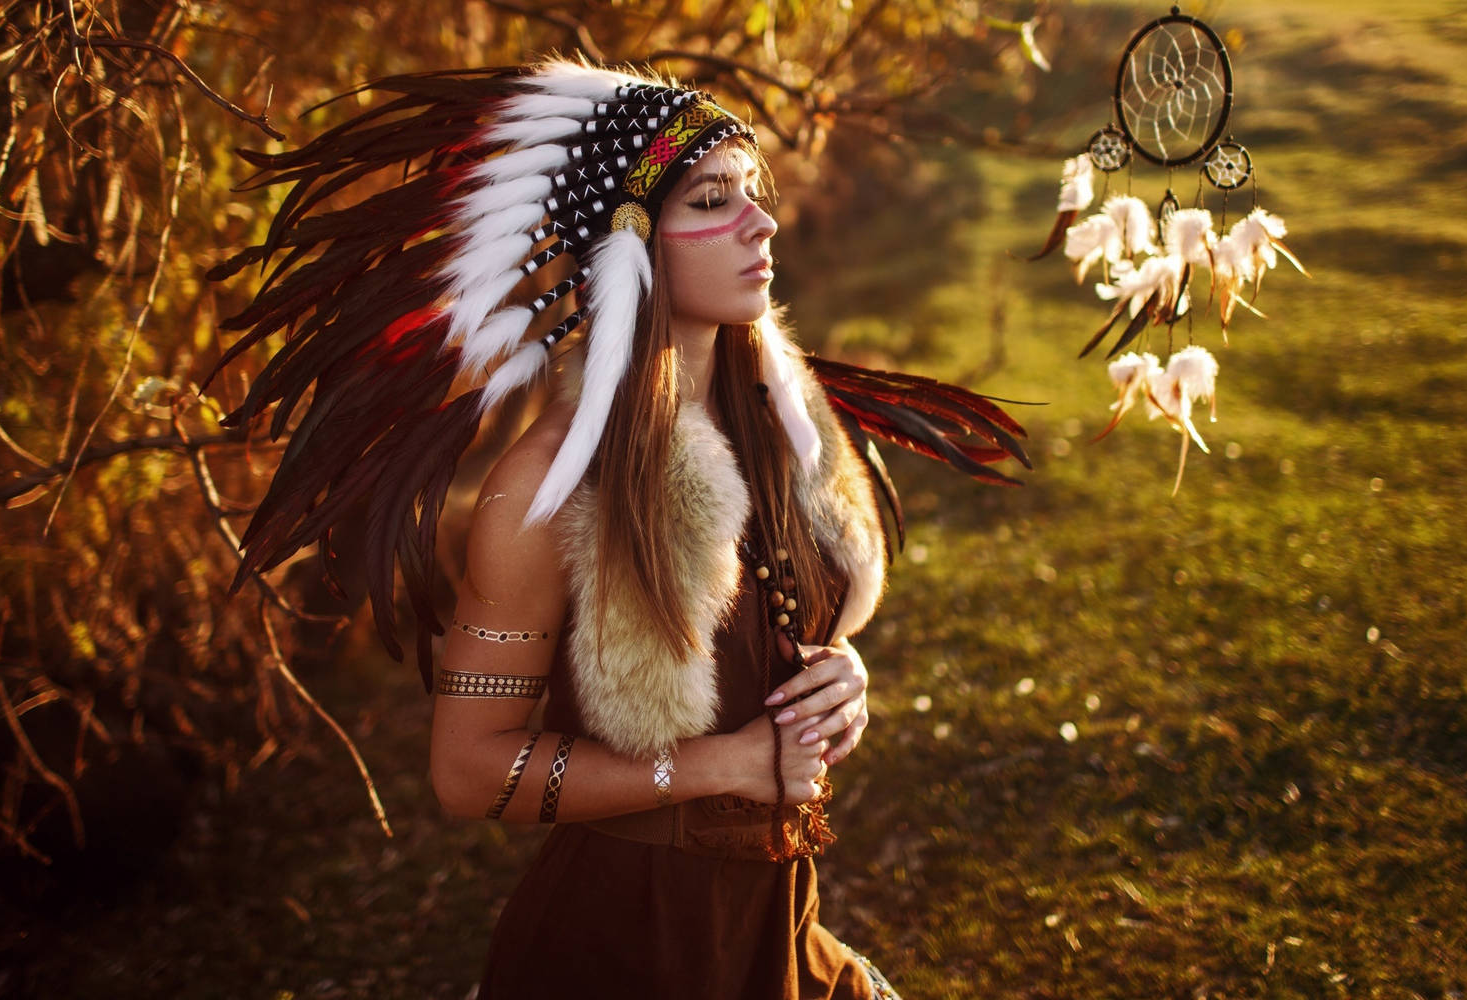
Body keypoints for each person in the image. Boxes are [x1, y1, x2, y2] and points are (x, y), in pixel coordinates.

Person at [208, 60, 1030, 999]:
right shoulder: (547, 489)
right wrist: (721, 764)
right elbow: (468, 773)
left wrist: (841, 678)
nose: (762, 222)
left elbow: (779, 627)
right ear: (624, 243)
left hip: (774, 931)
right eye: (713, 199)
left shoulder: (778, 421)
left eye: (752, 194)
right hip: (625, 947)